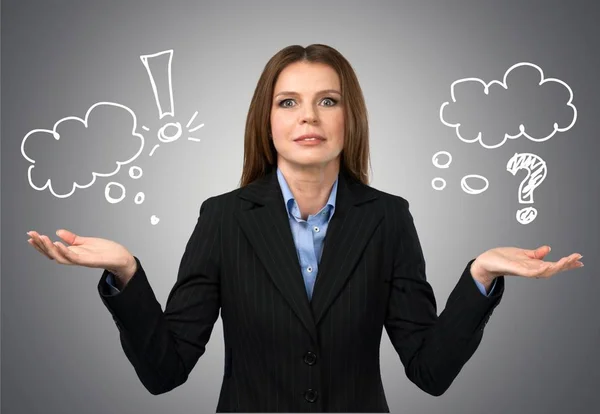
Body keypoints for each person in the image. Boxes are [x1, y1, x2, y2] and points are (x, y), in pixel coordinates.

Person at [27, 44, 583, 413]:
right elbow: (165, 370)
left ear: (349, 117)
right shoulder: (222, 218)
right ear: (267, 122)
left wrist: (481, 274)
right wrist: (125, 273)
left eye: (328, 101)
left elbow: (429, 371)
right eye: (288, 102)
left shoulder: (388, 218)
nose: (308, 117)